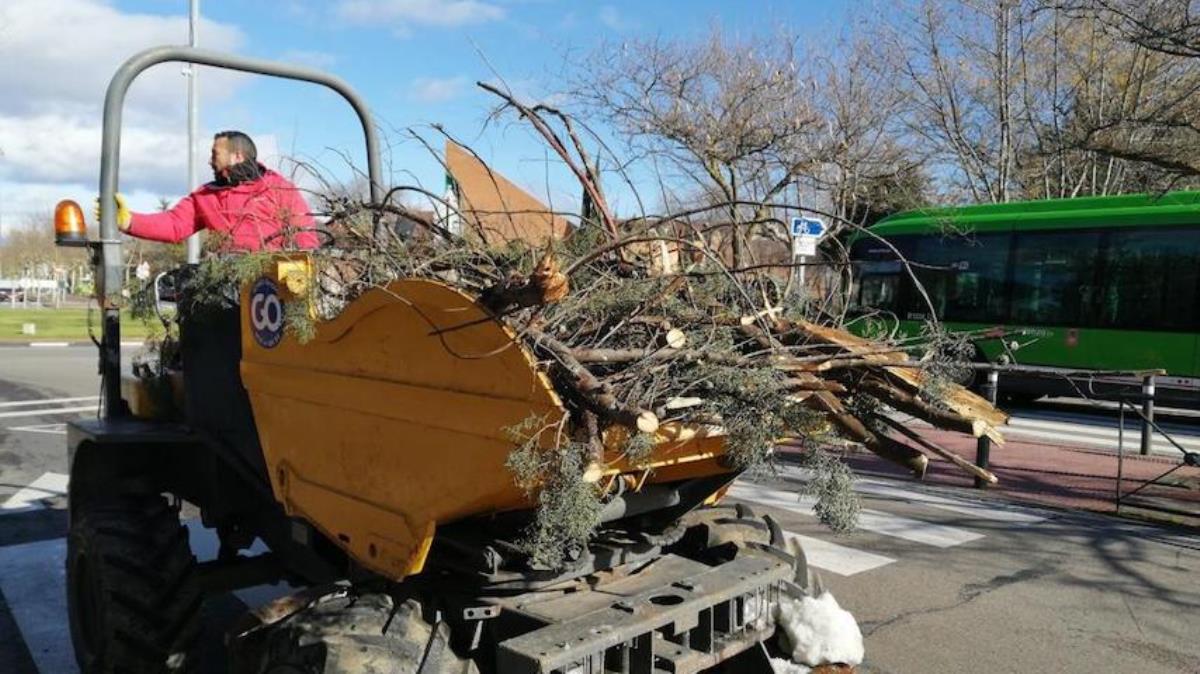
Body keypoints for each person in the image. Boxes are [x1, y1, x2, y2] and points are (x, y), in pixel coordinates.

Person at [100, 130, 319, 251]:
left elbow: (303, 231)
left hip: (271, 284)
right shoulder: (205, 196)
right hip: (226, 285)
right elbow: (174, 224)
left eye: (215, 154)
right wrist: (128, 221)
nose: (210, 161)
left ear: (237, 156)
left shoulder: (277, 187)